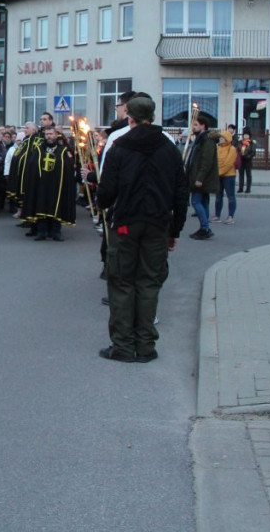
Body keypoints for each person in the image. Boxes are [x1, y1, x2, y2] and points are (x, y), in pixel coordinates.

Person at [95, 96, 188, 363]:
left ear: (130, 118)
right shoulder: (169, 148)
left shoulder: (119, 147)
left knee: (122, 283)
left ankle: (123, 346)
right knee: (149, 283)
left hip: (125, 224)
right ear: (152, 116)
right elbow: (181, 193)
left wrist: (101, 202)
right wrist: (175, 231)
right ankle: (146, 346)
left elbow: (106, 193)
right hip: (158, 225)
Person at [23, 125, 77, 241]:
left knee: (57, 206)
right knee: (41, 205)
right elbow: (32, 166)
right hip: (41, 184)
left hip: (57, 184)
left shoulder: (62, 150)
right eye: (47, 134)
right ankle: (41, 231)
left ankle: (56, 232)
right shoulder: (38, 149)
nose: (49, 136)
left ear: (56, 135)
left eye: (51, 134)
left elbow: (67, 167)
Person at [185, 115, 220, 240]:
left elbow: (206, 161)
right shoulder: (199, 139)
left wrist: (199, 178)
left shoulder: (207, 140)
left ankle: (205, 228)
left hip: (201, 178)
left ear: (202, 126)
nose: (193, 127)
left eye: (195, 125)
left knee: (195, 201)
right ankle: (204, 227)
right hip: (197, 176)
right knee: (203, 202)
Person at [214, 130, 238, 224]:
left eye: (222, 138)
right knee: (218, 196)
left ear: (227, 139)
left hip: (229, 176)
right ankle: (217, 215)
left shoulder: (232, 149)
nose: (220, 139)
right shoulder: (218, 148)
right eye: (220, 137)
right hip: (218, 175)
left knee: (230, 196)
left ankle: (230, 216)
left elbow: (228, 163)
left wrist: (219, 173)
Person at [238, 128, 255, 194]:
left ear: (249, 135)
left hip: (248, 161)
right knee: (241, 175)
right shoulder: (240, 142)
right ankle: (240, 188)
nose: (245, 136)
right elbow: (238, 150)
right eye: (244, 135)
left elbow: (253, 152)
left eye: (247, 135)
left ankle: (248, 188)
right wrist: (240, 155)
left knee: (248, 175)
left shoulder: (251, 143)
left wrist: (248, 156)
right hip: (241, 160)